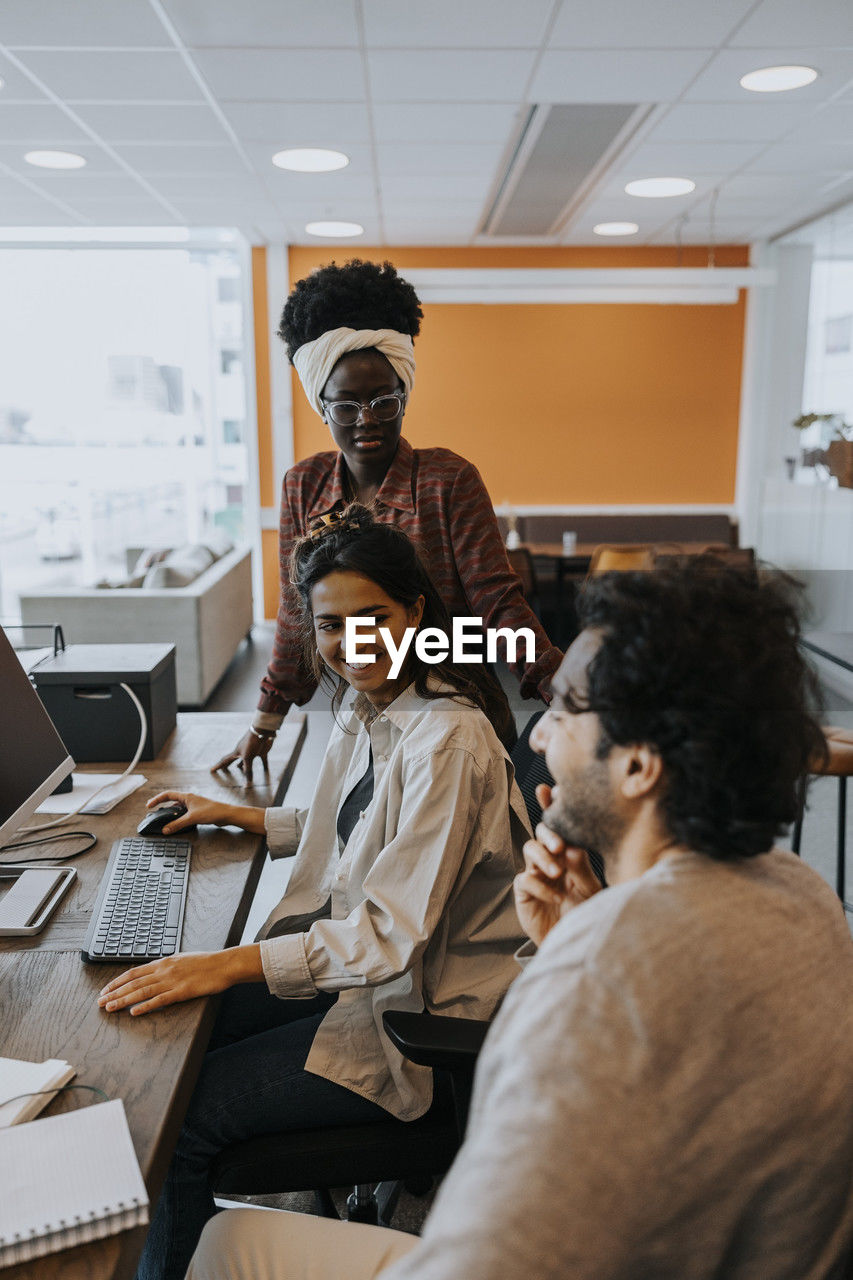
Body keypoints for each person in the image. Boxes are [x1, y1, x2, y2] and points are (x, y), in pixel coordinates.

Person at [187, 561, 853, 1280]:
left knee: (226, 1246)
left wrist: (578, 956)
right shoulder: (802, 892)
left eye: (563, 711)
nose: (536, 740)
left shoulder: (593, 980)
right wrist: (581, 930)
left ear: (637, 766)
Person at [98, 507, 528, 1280]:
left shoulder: (448, 740)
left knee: (177, 1117)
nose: (352, 643)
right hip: (374, 978)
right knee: (180, 1029)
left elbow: (388, 935)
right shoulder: (377, 706)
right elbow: (370, 828)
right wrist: (255, 819)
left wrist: (228, 963)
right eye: (331, 625)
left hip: (419, 1013)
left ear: (418, 613)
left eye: (375, 618)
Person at [213, 258, 561, 774]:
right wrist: (266, 720)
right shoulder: (303, 486)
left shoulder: (448, 480)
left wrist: (562, 691)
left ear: (404, 395)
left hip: (455, 714)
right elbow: (295, 618)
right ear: (321, 405)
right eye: (346, 406)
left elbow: (495, 604)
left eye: (383, 401)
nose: (367, 420)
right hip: (367, 716)